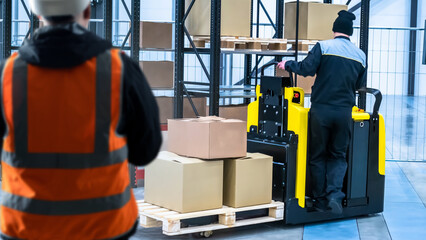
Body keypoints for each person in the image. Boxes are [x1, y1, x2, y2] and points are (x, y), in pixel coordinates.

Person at [0, 0, 162, 239]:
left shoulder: (7, 76)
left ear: (37, 15)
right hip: (104, 227)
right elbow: (145, 152)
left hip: (26, 227)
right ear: (87, 11)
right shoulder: (119, 69)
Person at [278, 10, 366, 214]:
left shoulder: (324, 46)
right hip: (344, 112)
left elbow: (307, 68)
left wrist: (287, 64)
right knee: (338, 155)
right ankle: (334, 195)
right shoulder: (360, 55)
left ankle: (318, 201)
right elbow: (360, 85)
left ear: (334, 30)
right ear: (350, 32)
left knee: (317, 155)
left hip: (321, 111)